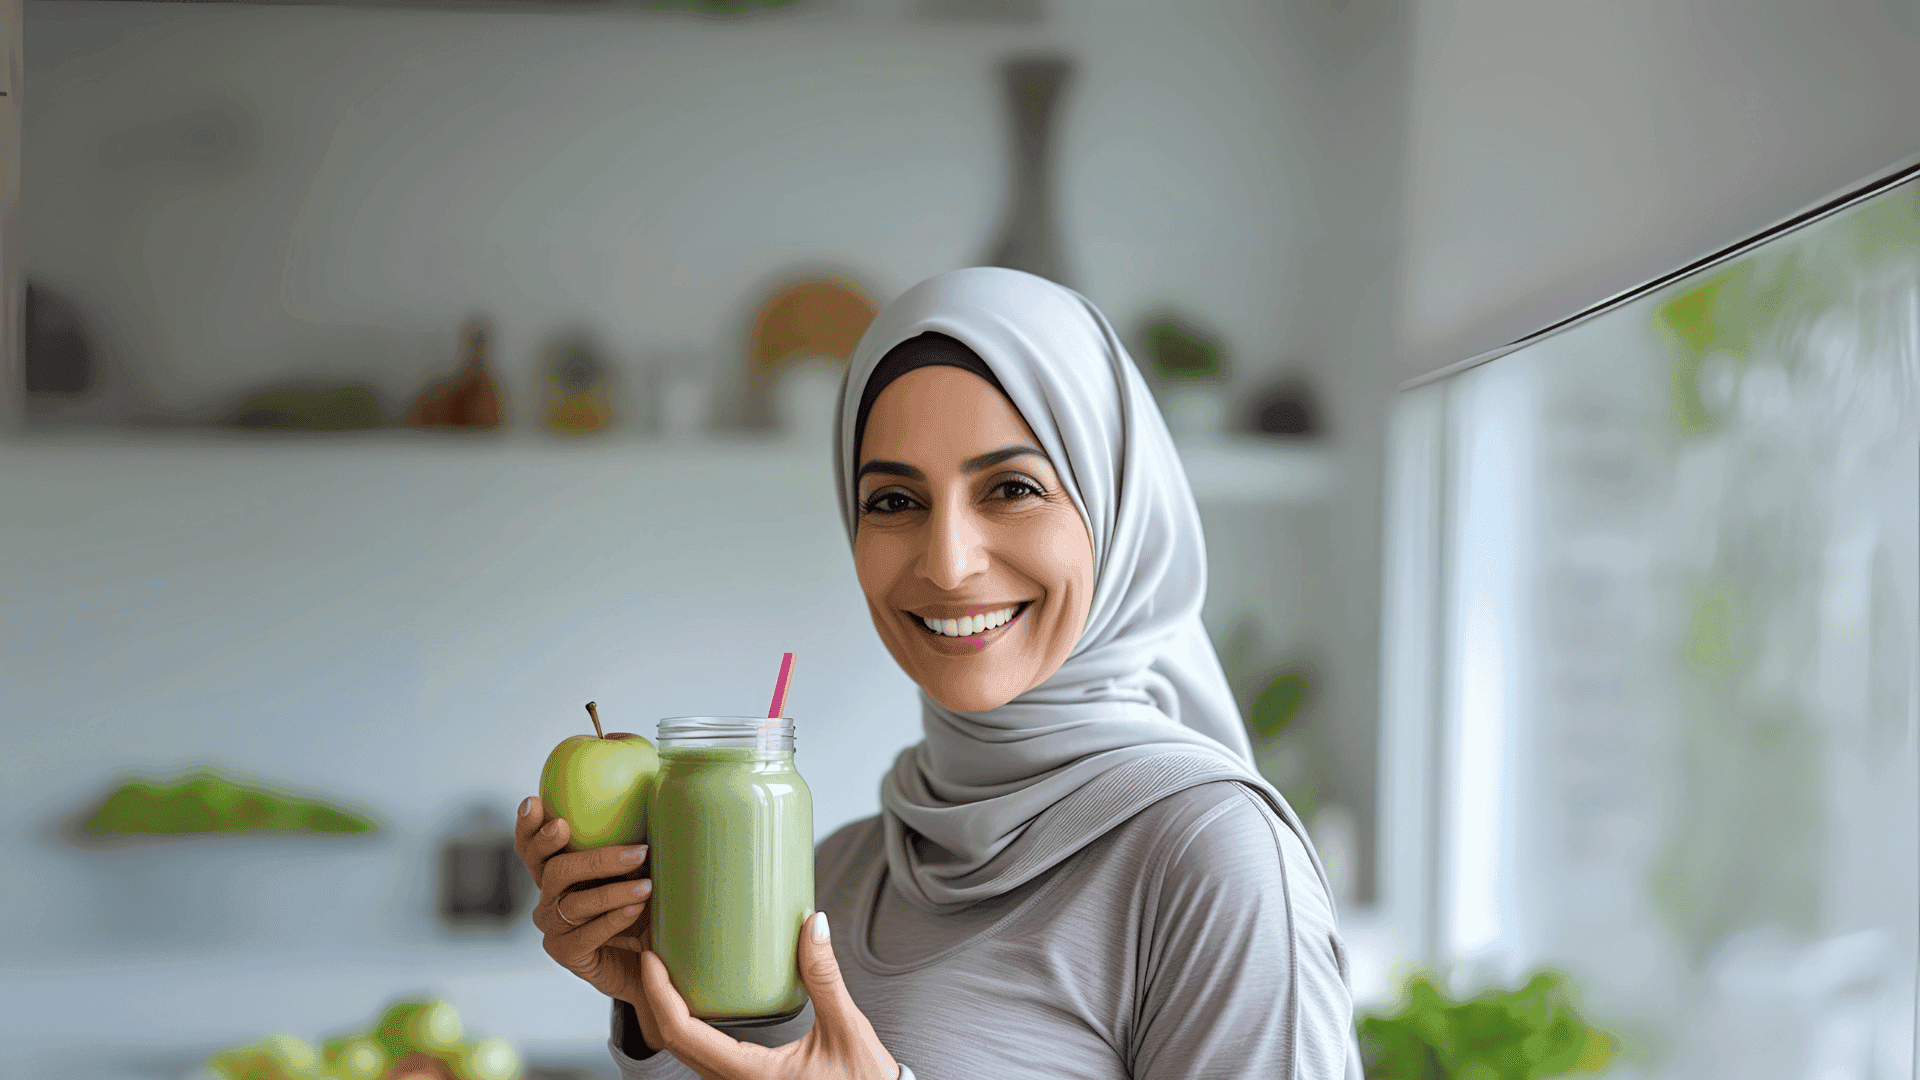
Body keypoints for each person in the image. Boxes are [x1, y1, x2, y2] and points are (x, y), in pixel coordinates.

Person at [514, 267, 1358, 1080]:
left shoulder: (1213, 859)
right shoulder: (839, 871)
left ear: (1116, 506)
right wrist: (656, 1010)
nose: (949, 564)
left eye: (1013, 487)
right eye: (893, 500)